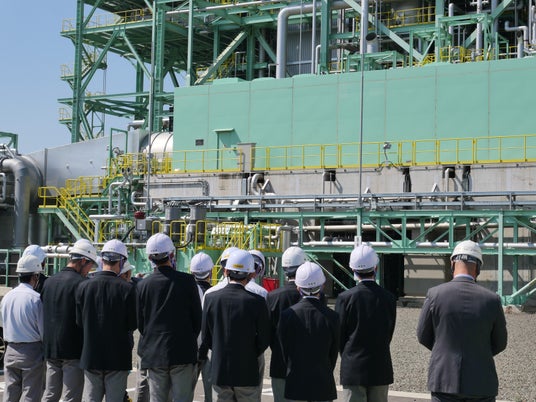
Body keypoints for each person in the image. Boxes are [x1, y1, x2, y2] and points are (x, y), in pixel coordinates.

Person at [416, 240, 508, 402]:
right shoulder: (492, 299)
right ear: (478, 267)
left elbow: (423, 335)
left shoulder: (435, 294)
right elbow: (500, 342)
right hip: (481, 383)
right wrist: (478, 352)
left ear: (452, 264)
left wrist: (444, 350)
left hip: (444, 380)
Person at [137, 233, 202, 402]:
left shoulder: (142, 285)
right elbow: (197, 320)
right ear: (172, 254)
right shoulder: (188, 281)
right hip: (182, 352)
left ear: (149, 257)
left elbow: (141, 324)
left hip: (154, 353)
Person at [201, 249, 270, 402]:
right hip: (247, 369)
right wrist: (250, 353)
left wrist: (220, 350)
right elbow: (264, 340)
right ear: (250, 274)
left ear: (226, 271)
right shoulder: (257, 302)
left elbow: (206, 337)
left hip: (220, 370)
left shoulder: (211, 298)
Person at [75, 239, 137, 402]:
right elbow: (133, 324)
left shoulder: (84, 287)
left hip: (91, 355)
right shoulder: (127, 289)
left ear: (102, 260)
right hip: (118, 357)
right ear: (121, 262)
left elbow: (79, 322)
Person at [334, 244, 397, 402]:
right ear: (375, 268)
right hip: (380, 366)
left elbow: (339, 335)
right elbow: (388, 332)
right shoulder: (388, 298)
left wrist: (348, 354)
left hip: (353, 367)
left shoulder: (344, 298)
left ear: (353, 269)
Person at [41, 238, 99, 402]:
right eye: (90, 265)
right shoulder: (82, 284)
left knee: (50, 394)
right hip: (73, 349)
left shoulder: (49, 282)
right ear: (83, 261)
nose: (89, 270)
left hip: (50, 348)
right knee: (71, 396)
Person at [277, 261, 340, 402]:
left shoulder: (287, 315)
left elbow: (283, 351)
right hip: (323, 382)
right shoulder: (332, 317)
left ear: (298, 287)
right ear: (322, 285)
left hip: (295, 382)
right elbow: (333, 353)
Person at [0, 255, 45, 401]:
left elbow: (3, 323)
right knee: (30, 394)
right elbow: (42, 329)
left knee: (10, 393)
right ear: (35, 276)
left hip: (10, 349)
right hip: (31, 351)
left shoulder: (7, 297)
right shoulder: (35, 298)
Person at [266, 246, 306, 402]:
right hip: (305, 365)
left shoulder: (272, 296)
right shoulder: (315, 297)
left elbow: (267, 333)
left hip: (279, 362)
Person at [190, 251, 215, 402]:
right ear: (211, 272)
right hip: (211, 350)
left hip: (191, 349)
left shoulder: (186, 292)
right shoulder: (215, 293)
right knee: (211, 396)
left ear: (191, 272)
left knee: (184, 395)